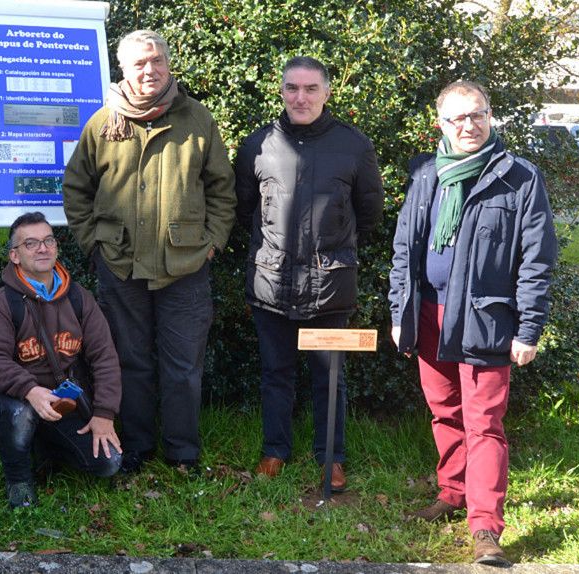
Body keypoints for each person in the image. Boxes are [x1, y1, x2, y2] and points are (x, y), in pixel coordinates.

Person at [388, 80, 557, 567]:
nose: (469, 124)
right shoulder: (425, 174)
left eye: (478, 114)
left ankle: (485, 525)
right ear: (440, 123)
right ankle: (452, 491)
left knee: (484, 423)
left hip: (486, 318)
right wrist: (401, 312)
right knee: (443, 410)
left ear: (490, 116)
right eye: (458, 118)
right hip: (429, 315)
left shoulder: (519, 177)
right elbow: (405, 249)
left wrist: (529, 329)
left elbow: (536, 260)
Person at [63, 29, 236, 473]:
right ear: (124, 68)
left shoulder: (197, 119)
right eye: (139, 63)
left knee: (183, 366)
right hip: (119, 265)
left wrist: (212, 244)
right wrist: (93, 244)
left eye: (156, 60)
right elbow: (77, 189)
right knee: (129, 361)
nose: (149, 70)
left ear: (168, 63)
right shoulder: (103, 124)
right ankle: (136, 447)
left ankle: (183, 452)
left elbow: (222, 190)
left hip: (186, 265)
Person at [234, 57, 384, 490]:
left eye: (311, 88)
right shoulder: (258, 145)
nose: (301, 97)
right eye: (292, 88)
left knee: (329, 376)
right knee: (275, 373)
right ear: (281, 91)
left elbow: (369, 213)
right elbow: (246, 210)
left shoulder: (353, 145)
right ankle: (274, 450)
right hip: (271, 282)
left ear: (327, 93)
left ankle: (331, 457)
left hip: (329, 284)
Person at [0, 212, 123, 508]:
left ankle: (45, 445)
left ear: (56, 247)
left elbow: (104, 357)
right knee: (20, 415)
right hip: (18, 399)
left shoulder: (79, 298)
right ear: (14, 256)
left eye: (48, 240)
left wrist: (104, 414)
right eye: (31, 243)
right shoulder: (4, 302)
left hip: (64, 402)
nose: (42, 248)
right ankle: (18, 478)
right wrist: (30, 389)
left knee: (109, 463)